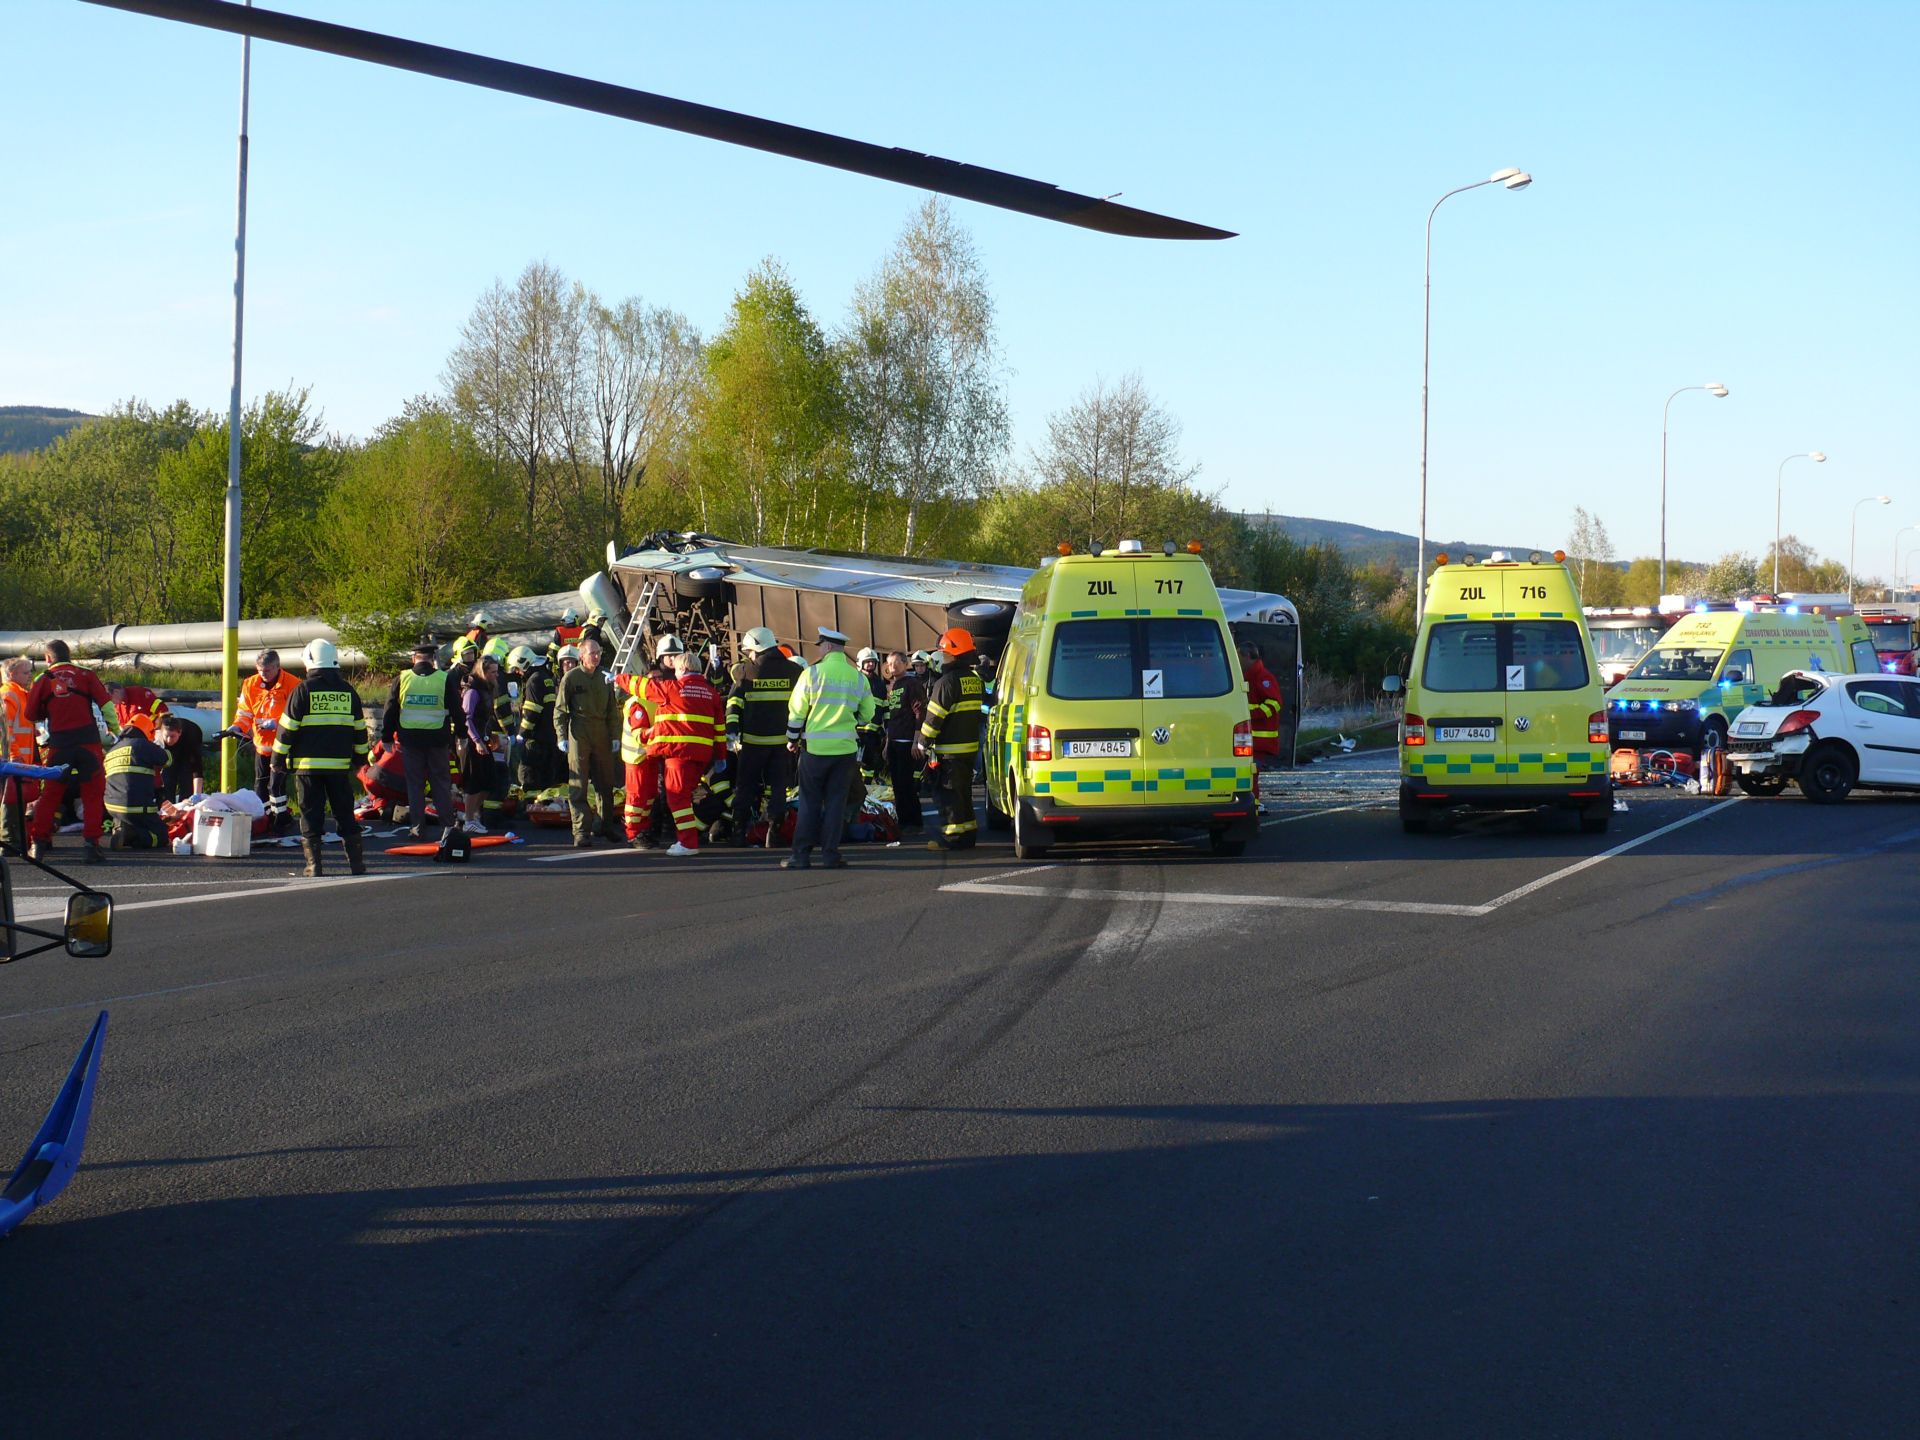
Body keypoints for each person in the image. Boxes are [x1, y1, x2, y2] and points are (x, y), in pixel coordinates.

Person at [781, 626, 874, 871]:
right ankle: (830, 855)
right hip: (844, 751)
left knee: (809, 803)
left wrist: (792, 738)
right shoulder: (857, 677)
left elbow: (797, 710)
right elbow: (868, 714)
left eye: (820, 645)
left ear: (829, 646)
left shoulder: (811, 674)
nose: (819, 649)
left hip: (815, 750)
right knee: (836, 804)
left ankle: (801, 856)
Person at [274, 638, 369, 877]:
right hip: (339, 768)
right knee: (345, 813)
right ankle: (357, 865)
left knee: (310, 814)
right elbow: (360, 729)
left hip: (307, 768)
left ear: (310, 661)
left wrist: (277, 760)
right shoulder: (348, 692)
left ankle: (314, 866)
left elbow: (287, 729)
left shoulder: (302, 690)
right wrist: (360, 759)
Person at [633, 636, 724, 856]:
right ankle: (686, 840)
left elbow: (640, 686)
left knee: (677, 798)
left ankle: (687, 842)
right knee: (684, 797)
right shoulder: (710, 692)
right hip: (701, 757)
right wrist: (720, 756)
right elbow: (719, 729)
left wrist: (617, 678)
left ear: (682, 668)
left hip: (677, 755)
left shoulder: (671, 688)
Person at [25, 639, 114, 864]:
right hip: (88, 743)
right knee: (92, 794)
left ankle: (39, 844)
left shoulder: (42, 679)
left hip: (59, 746)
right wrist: (117, 731)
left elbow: (30, 714)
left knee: (51, 794)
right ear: (69, 655)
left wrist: (51, 709)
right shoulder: (86, 674)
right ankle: (90, 846)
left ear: (47, 659)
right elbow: (106, 705)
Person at [726, 626, 802, 848]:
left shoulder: (744, 672)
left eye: (749, 651)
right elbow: (801, 706)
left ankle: (738, 832)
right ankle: (774, 833)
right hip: (783, 743)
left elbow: (733, 704)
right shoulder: (794, 671)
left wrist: (732, 731)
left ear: (756, 649)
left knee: (746, 786)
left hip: (752, 742)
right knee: (779, 788)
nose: (749, 655)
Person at [381, 639, 460, 841]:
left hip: (410, 740)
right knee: (441, 783)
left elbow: (390, 709)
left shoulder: (403, 678)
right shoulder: (444, 678)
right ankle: (448, 828)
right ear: (433, 659)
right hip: (437, 740)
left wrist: (387, 737)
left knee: (414, 785)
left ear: (413, 659)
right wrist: (462, 734)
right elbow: (457, 710)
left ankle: (417, 829)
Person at [917, 628, 987, 851]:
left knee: (949, 797)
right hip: (969, 749)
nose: (941, 655)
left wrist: (922, 742)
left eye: (943, 651)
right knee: (963, 794)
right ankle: (968, 835)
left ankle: (953, 838)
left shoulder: (946, 683)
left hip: (949, 752)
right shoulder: (974, 680)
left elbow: (934, 718)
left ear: (952, 654)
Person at [553, 635, 621, 848]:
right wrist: (562, 737)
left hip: (601, 731)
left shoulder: (604, 677)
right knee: (579, 784)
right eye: (593, 653)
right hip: (579, 732)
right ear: (582, 656)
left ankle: (605, 825)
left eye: (599, 652)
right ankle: (581, 831)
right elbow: (560, 710)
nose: (597, 656)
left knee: (606, 782)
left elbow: (612, 710)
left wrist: (615, 736)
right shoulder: (572, 678)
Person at [226, 648, 301, 835]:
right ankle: (265, 817)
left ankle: (281, 819)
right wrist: (237, 727)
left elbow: (298, 715)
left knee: (276, 785)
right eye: (259, 670)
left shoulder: (293, 684)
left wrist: (277, 724)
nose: (263, 675)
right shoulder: (250, 684)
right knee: (260, 784)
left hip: (283, 745)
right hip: (262, 745)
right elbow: (244, 712)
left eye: (267, 671)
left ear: (277, 667)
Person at [103, 714, 171, 851]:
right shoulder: (143, 745)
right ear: (147, 731)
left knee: (130, 816)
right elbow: (167, 760)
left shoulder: (112, 751)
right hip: (135, 807)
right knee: (161, 836)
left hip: (111, 806)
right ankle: (130, 835)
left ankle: (121, 827)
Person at [882, 651, 927, 834]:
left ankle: (915, 823)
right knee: (897, 785)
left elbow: (920, 712)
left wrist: (917, 740)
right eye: (889, 663)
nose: (893, 667)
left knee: (907, 784)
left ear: (905, 663)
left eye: (896, 663)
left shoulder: (912, 684)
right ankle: (902, 821)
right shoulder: (892, 685)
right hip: (893, 740)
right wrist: (886, 744)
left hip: (908, 740)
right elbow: (890, 718)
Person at [459, 655, 504, 834]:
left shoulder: (486, 688)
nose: (496, 675)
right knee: (474, 783)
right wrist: (477, 741)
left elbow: (486, 717)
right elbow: (467, 719)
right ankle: (469, 819)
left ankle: (471, 815)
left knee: (489, 782)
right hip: (473, 742)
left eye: (496, 671)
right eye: (492, 672)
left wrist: (491, 736)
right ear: (483, 672)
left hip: (483, 740)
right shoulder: (473, 690)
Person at [2, 654, 38, 856]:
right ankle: (8, 841)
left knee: (17, 800)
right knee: (9, 800)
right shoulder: (10, 694)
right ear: (12, 674)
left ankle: (15, 841)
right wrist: (15, 754)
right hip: (12, 759)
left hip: (18, 758)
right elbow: (5, 729)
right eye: (25, 672)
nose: (29, 675)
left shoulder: (19, 694)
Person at [509, 646, 558, 794]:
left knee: (528, 774)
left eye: (518, 668)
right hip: (550, 737)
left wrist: (522, 733)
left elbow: (531, 712)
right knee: (546, 778)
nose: (517, 672)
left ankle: (529, 807)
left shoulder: (533, 681)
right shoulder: (546, 677)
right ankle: (544, 807)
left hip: (535, 739)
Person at [1240, 642, 1284, 767]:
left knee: (1250, 777)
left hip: (1258, 740)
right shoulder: (1248, 676)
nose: (1236, 660)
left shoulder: (1263, 677)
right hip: (1249, 738)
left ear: (1247, 656)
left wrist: (1249, 714)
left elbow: (1275, 703)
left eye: (1238, 656)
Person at [157, 712, 205, 802]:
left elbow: (197, 768)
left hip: (187, 747)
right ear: (161, 733)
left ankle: (185, 809)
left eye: (172, 736)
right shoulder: (157, 740)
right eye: (166, 736)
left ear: (179, 733)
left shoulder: (191, 736)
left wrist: (197, 794)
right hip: (168, 754)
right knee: (167, 779)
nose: (169, 740)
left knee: (186, 779)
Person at [855, 647, 887, 777]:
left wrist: (887, 727)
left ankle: (867, 787)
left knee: (870, 763)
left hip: (873, 732)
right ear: (860, 663)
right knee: (854, 762)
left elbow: (885, 705)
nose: (870, 664)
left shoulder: (879, 683)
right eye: (867, 661)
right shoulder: (855, 680)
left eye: (872, 662)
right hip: (857, 730)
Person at [105, 680, 169, 733]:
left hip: (151, 735)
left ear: (116, 692)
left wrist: (158, 730)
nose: (110, 701)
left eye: (109, 698)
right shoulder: (117, 707)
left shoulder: (139, 694)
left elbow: (162, 710)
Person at [546, 607, 586, 672]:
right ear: (576, 619)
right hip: (579, 661)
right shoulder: (582, 630)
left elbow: (555, 647)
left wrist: (555, 664)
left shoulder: (559, 631)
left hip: (565, 662)